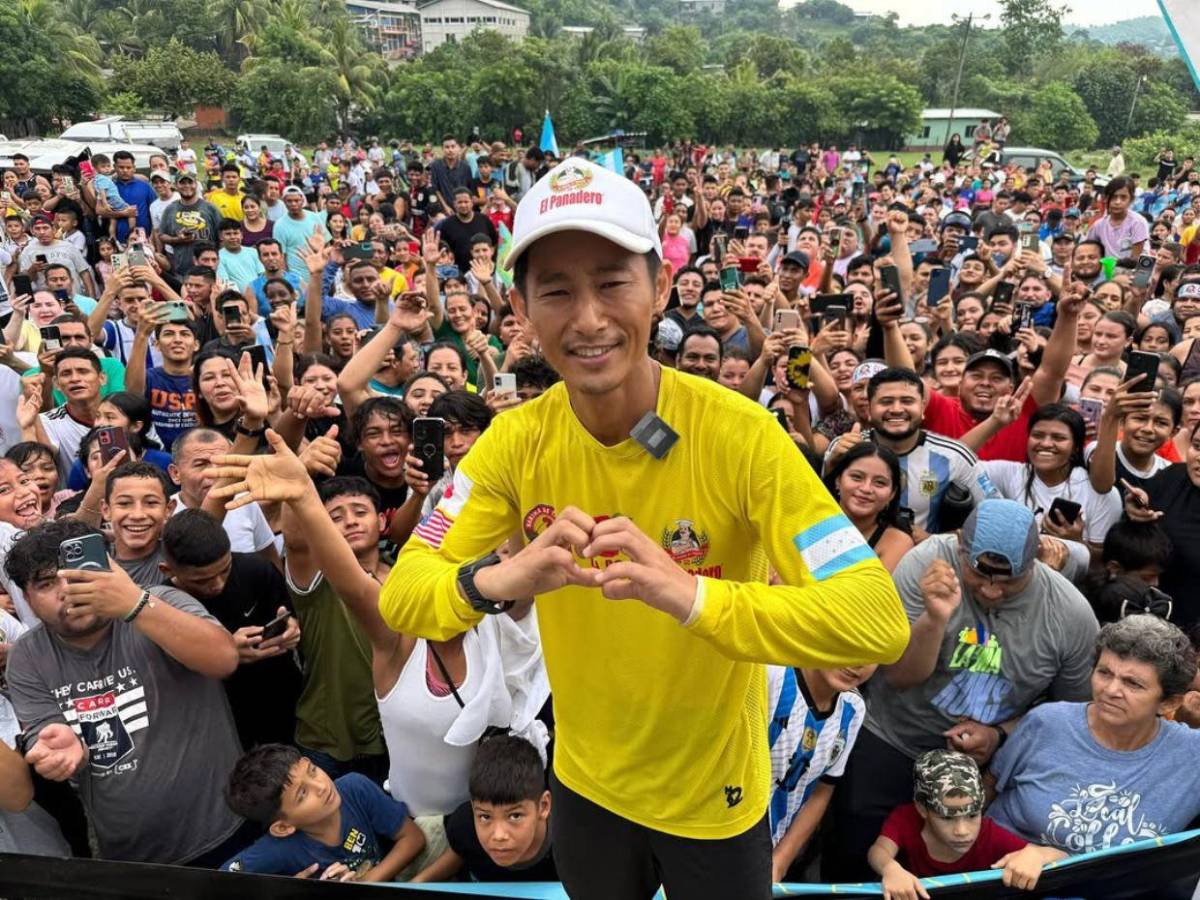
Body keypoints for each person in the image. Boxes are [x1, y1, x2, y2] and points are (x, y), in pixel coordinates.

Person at [355, 156, 905, 897]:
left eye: (613, 282)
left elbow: (875, 622)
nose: (587, 320)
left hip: (715, 800)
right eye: (556, 291)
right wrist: (506, 577)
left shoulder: (741, 437)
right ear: (520, 309)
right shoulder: (516, 442)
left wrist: (690, 597)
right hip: (586, 788)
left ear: (661, 289)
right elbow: (406, 595)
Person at [824, 499, 1098, 882]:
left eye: (1009, 580)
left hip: (981, 767)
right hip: (894, 736)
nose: (991, 589)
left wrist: (1001, 733)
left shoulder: (1069, 614)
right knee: (857, 854)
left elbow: (1070, 717)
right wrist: (936, 618)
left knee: (960, 875)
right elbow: (897, 675)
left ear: (1035, 561)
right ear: (959, 547)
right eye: (979, 573)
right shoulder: (927, 564)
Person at [5, 517, 246, 865]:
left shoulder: (158, 603)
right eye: (45, 583)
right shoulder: (27, 657)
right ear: (26, 597)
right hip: (130, 853)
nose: (68, 589)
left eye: (77, 572)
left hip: (225, 829)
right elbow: (48, 734)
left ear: (109, 568)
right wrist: (57, 748)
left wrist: (133, 604)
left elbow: (223, 659)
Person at [988, 616, 1200, 853]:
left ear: (1169, 703)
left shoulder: (1192, 755)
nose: (1110, 690)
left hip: (1119, 889)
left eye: (1133, 684)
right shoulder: (1047, 723)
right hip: (1006, 877)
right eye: (1105, 673)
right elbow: (987, 791)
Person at [160, 510, 301, 750]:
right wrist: (222, 652)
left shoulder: (256, 570)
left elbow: (288, 614)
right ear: (168, 570)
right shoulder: (164, 606)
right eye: (201, 580)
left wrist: (292, 630)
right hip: (221, 723)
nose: (217, 584)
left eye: (224, 570)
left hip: (284, 704)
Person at [824, 368, 997, 536]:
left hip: (926, 563)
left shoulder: (955, 456)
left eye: (907, 401)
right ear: (869, 409)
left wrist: (939, 541)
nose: (897, 409)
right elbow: (819, 510)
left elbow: (995, 515)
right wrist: (832, 466)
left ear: (922, 408)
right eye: (886, 401)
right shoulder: (843, 448)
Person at [869, 750, 1063, 897]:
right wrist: (890, 869)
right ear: (922, 810)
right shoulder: (906, 819)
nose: (962, 831)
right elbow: (879, 851)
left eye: (972, 816)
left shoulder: (990, 835)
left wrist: (1037, 854)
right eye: (947, 817)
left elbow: (1064, 857)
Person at [221, 743, 426, 880]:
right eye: (302, 794)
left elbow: (413, 837)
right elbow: (220, 881)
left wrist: (365, 883)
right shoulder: (277, 849)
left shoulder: (355, 789)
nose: (321, 786)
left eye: (312, 771)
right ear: (283, 827)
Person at [764, 658, 875, 884]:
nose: (858, 661)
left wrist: (780, 861)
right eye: (848, 641)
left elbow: (821, 789)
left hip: (771, 855)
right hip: (716, 840)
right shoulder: (771, 677)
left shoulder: (853, 708)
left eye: (874, 651)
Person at [412, 734, 558, 883]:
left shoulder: (573, 846)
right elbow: (462, 851)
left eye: (515, 816)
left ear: (543, 806)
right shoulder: (463, 826)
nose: (499, 835)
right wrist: (417, 883)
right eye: (485, 817)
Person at [822, 442, 913, 571]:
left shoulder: (897, 542)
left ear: (892, 494)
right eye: (857, 477)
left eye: (880, 483)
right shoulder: (807, 526)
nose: (866, 489)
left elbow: (873, 591)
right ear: (838, 481)